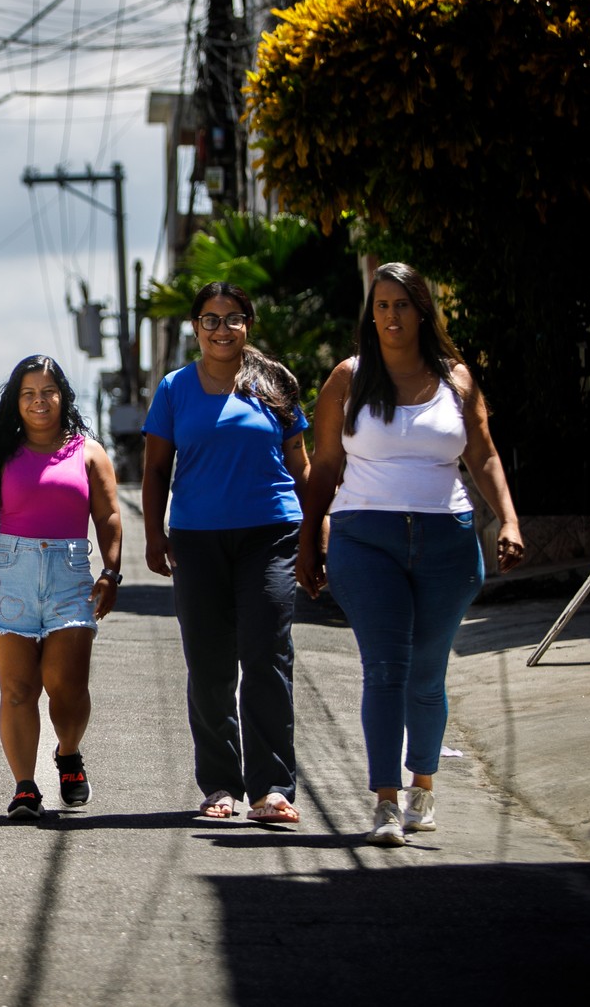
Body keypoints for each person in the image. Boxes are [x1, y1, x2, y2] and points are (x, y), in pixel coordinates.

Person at [296, 262, 524, 847]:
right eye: (381, 305)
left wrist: (509, 519)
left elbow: (485, 455)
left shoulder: (457, 379)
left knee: (427, 674)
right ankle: (385, 801)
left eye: (401, 304)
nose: (390, 315)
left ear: (422, 310)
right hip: (365, 539)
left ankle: (423, 782)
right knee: (386, 668)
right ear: (369, 314)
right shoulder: (348, 379)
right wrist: (309, 538)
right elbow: (324, 468)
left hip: (447, 538)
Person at [142, 282, 310, 825]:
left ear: (247, 325)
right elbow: (154, 470)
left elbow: (301, 464)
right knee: (210, 665)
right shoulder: (174, 389)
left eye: (232, 318)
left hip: (271, 533)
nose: (221, 329)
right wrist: (154, 533)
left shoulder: (274, 384)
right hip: (197, 538)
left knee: (266, 656)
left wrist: (319, 531)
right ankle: (220, 784)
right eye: (210, 319)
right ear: (196, 328)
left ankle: (271, 788)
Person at [0, 355, 122, 819]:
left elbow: (107, 515)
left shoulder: (89, 452)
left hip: (69, 575)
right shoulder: (0, 454)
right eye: (28, 393)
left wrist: (111, 570)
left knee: (65, 684)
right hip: (12, 572)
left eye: (48, 391)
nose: (39, 401)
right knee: (19, 689)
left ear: (63, 396)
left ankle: (68, 753)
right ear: (17, 402)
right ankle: (24, 787)